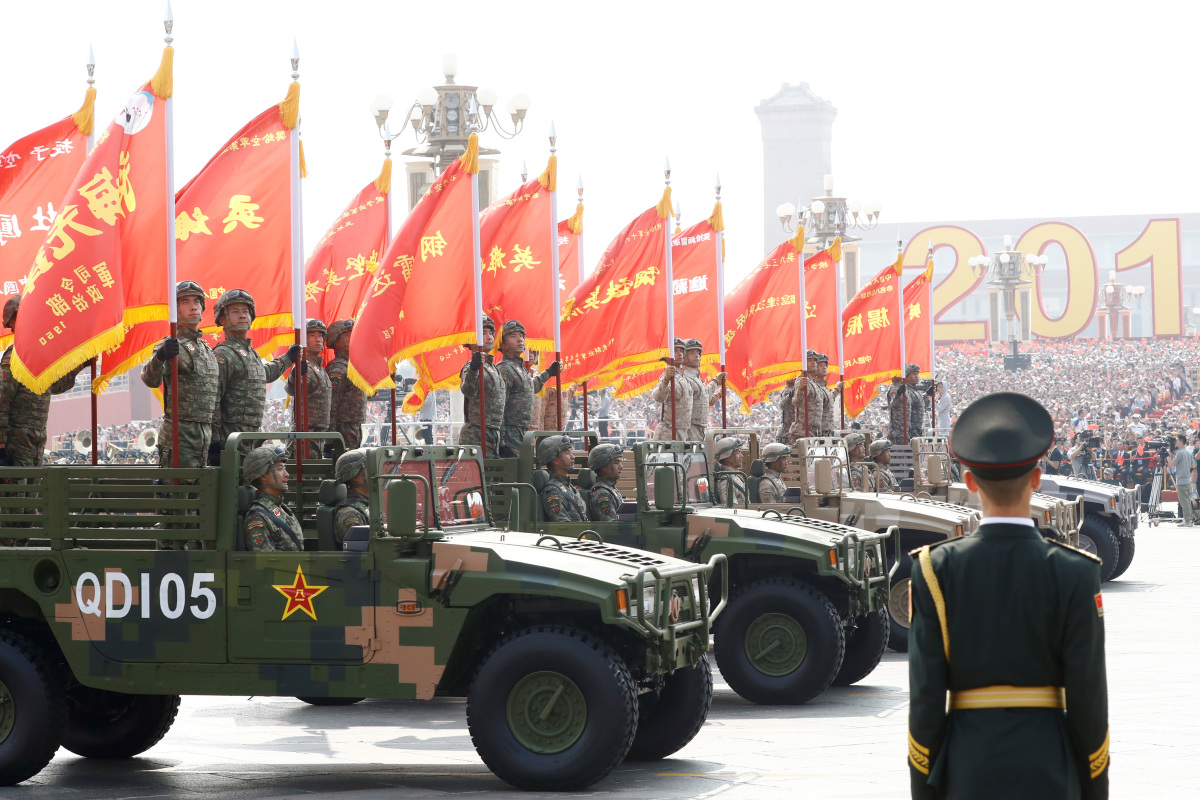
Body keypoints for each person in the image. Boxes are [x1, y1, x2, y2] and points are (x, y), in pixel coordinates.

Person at [908, 391, 1108, 800]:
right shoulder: (1075, 571)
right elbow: (1089, 700)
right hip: (1049, 771)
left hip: (966, 771)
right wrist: (1093, 789)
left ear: (969, 482)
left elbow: (925, 699)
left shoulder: (934, 568)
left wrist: (925, 789)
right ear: (1036, 478)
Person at [209, 289, 299, 465]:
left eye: (246, 311)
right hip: (230, 439)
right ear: (222, 319)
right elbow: (213, 400)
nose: (242, 316)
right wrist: (215, 441)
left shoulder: (250, 354)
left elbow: (263, 374)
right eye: (235, 311)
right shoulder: (223, 355)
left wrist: (288, 358)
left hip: (249, 436)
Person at [0, 295, 88, 468]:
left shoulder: (40, 356)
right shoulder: (15, 358)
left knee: (36, 485)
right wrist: (1, 445)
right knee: (18, 486)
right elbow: (2, 400)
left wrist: (81, 364)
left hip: (37, 443)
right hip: (17, 445)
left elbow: (55, 385)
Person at [141, 282, 220, 470]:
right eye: (185, 302)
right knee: (179, 487)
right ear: (175, 309)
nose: (193, 307)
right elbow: (150, 379)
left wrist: (216, 438)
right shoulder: (171, 345)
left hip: (205, 437)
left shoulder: (206, 349)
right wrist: (160, 357)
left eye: (197, 301)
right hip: (179, 438)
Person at [495, 320, 559, 457]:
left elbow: (530, 387)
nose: (520, 340)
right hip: (509, 435)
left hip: (521, 433)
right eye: (513, 336)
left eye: (521, 336)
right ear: (502, 344)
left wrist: (548, 373)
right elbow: (498, 407)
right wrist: (501, 442)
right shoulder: (504, 369)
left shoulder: (519, 368)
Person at [241, 445, 304, 552]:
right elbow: (266, 559)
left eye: (285, 469)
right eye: (280, 469)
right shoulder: (257, 517)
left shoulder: (281, 508)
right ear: (263, 475)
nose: (287, 474)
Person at [459, 316, 505, 454]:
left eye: (491, 333)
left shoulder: (494, 368)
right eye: (483, 333)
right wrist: (474, 368)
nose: (489, 337)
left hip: (494, 434)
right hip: (477, 435)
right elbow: (468, 390)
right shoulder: (471, 367)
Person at [286, 319, 333, 437]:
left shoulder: (321, 370)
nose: (318, 339)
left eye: (320, 335)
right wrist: (295, 374)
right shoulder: (303, 366)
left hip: (319, 432)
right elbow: (291, 388)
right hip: (304, 433)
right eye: (312, 335)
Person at [326, 320, 367, 451]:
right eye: (348, 335)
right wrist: (331, 436)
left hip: (353, 425)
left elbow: (362, 394)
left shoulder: (353, 366)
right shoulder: (338, 369)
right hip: (342, 427)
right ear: (335, 341)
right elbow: (331, 404)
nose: (353, 338)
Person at [537, 434, 588, 521]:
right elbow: (563, 526)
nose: (573, 457)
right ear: (556, 460)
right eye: (567, 453)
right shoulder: (553, 493)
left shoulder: (568, 487)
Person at [651, 338, 692, 441]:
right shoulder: (667, 377)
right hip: (669, 433)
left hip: (683, 431)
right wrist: (666, 380)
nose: (680, 353)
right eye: (675, 350)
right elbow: (658, 397)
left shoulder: (684, 377)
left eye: (681, 350)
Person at [332, 448, 369, 547]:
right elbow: (360, 548)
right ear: (355, 477)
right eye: (369, 468)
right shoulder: (349, 513)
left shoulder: (368, 504)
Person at [791, 351, 828, 440]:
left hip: (815, 430)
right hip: (803, 431)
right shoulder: (802, 380)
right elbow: (797, 402)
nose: (813, 362)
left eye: (815, 360)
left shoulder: (814, 383)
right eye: (809, 360)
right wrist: (800, 389)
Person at [586, 443, 624, 521]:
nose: (621, 467)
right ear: (603, 466)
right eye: (616, 463)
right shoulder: (602, 494)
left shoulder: (610, 489)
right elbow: (611, 525)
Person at [889, 364, 926, 444]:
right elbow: (893, 403)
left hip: (914, 432)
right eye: (913, 374)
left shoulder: (913, 390)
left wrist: (927, 396)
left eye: (917, 374)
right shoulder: (898, 388)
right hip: (900, 434)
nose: (917, 376)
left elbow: (919, 407)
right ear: (905, 376)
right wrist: (899, 393)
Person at [713, 436, 746, 506]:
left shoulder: (736, 477)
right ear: (727, 457)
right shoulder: (726, 481)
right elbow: (732, 508)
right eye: (737, 453)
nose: (741, 456)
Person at [1170, 433, 1194, 527]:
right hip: (1187, 479)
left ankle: (1188, 520)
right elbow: (1193, 465)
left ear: (1180, 441)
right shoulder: (1187, 452)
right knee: (1187, 501)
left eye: (1176, 440)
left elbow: (1172, 463)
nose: (1175, 442)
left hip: (1181, 480)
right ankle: (1187, 519)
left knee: (1184, 502)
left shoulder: (1180, 453)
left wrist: (1167, 456)